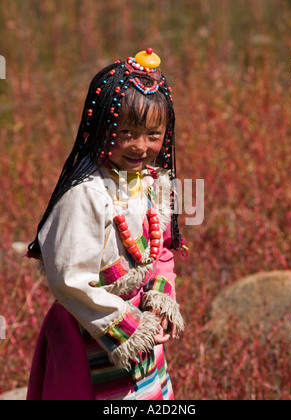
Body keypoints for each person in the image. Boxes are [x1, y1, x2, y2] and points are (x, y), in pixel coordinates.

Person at [26, 49, 185, 400]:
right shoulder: (85, 196)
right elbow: (70, 282)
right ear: (100, 126)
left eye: (153, 134)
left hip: (143, 335)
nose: (140, 147)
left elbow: (161, 252)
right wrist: (132, 326)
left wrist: (157, 307)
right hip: (92, 333)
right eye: (126, 132)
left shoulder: (153, 181)